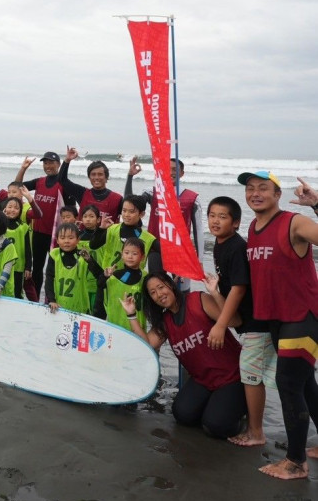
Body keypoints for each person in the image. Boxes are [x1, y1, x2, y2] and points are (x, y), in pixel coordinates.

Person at [238, 170, 318, 480]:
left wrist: (316, 204)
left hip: (303, 317)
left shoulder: (293, 222)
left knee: (288, 385)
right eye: (250, 189)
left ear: (277, 195)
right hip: (277, 321)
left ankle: (296, 462)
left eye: (263, 188)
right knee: (304, 384)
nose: (255, 193)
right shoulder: (254, 228)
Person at [121, 272, 246, 440]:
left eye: (160, 287)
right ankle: (218, 406)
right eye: (153, 293)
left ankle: (243, 414)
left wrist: (215, 293)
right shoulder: (166, 321)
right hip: (204, 380)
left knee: (215, 426)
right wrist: (132, 315)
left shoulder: (197, 300)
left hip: (232, 376)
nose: (159, 294)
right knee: (182, 414)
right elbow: (148, 345)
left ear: (171, 285)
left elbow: (235, 321)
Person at [207, 196, 275, 449]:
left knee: (251, 376)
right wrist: (214, 292)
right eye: (212, 215)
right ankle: (251, 422)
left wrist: (221, 325)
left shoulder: (236, 247)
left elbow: (239, 289)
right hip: (244, 322)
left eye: (222, 217)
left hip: (257, 322)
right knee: (253, 374)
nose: (215, 221)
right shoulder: (219, 243)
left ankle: (256, 432)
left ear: (235, 223)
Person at [15, 151, 75, 297]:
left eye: (51, 163)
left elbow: (72, 211)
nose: (48, 166)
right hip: (38, 233)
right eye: (45, 163)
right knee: (37, 269)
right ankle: (35, 299)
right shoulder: (39, 181)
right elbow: (17, 186)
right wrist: (23, 168)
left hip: (56, 235)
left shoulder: (64, 184)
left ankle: (52, 299)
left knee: (54, 269)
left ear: (58, 164)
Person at [125, 156, 204, 262]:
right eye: (167, 169)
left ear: (182, 174)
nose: (171, 172)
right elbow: (129, 203)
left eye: (175, 169)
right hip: (155, 248)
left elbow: (198, 231)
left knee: (178, 279)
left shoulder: (192, 199)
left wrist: (199, 260)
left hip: (180, 251)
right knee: (156, 279)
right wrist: (130, 176)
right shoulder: (152, 193)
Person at [93, 237, 147, 329]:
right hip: (116, 327)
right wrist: (105, 276)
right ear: (122, 255)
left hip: (138, 328)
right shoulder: (114, 276)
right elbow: (100, 286)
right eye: (126, 253)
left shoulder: (145, 276)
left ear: (142, 257)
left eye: (134, 253)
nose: (130, 256)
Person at [94, 195, 157, 273]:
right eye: (124, 210)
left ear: (142, 214)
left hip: (134, 283)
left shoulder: (149, 239)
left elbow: (168, 254)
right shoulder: (112, 229)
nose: (126, 214)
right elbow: (93, 245)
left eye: (131, 211)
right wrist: (101, 229)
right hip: (108, 280)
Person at [58, 148, 124, 222]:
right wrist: (67, 160)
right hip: (83, 233)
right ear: (89, 177)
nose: (96, 177)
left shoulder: (117, 199)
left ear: (106, 177)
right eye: (93, 174)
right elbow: (62, 180)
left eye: (100, 174)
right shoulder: (82, 193)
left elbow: (129, 217)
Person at [46, 224, 95, 314]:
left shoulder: (83, 255)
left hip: (80, 308)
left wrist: (90, 261)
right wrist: (51, 299)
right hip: (58, 306)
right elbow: (49, 278)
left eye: (71, 238)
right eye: (62, 238)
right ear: (57, 240)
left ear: (78, 240)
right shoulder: (54, 254)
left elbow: (98, 274)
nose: (66, 241)